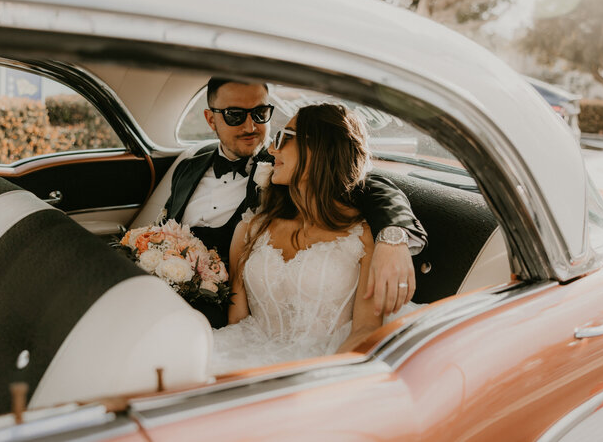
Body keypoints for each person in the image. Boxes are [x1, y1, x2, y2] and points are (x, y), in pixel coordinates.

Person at [160, 79, 426, 328]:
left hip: (215, 312)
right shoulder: (188, 167)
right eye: (235, 115)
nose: (251, 126)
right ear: (210, 119)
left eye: (260, 113)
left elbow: (369, 185)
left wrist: (394, 237)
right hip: (170, 293)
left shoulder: (282, 166)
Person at [209, 104, 419, 374]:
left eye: (283, 137)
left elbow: (366, 329)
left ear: (318, 148)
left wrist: (321, 382)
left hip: (325, 365)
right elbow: (236, 321)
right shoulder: (251, 229)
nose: (272, 150)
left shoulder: (365, 236)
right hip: (240, 354)